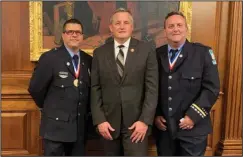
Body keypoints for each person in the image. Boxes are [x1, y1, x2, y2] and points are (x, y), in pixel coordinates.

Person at [90, 8, 158, 156]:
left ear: (132, 27)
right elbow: (95, 89)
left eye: (126, 23)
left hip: (137, 126)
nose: (122, 26)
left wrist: (145, 121)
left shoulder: (146, 50)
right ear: (111, 27)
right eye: (117, 23)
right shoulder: (99, 53)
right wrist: (100, 120)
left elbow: (152, 89)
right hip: (108, 125)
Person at [154, 11, 220, 156]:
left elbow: (211, 89)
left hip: (193, 129)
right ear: (165, 30)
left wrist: (192, 116)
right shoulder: (157, 54)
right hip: (165, 130)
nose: (175, 29)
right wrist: (156, 114)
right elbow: (153, 88)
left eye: (179, 25)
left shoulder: (202, 53)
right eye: (170, 26)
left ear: (186, 28)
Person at [28, 19, 92, 156]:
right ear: (63, 35)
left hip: (79, 130)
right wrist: (50, 108)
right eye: (70, 32)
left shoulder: (88, 60)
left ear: (82, 36)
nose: (74, 35)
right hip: (55, 129)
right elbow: (35, 89)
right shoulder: (50, 58)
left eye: (78, 32)